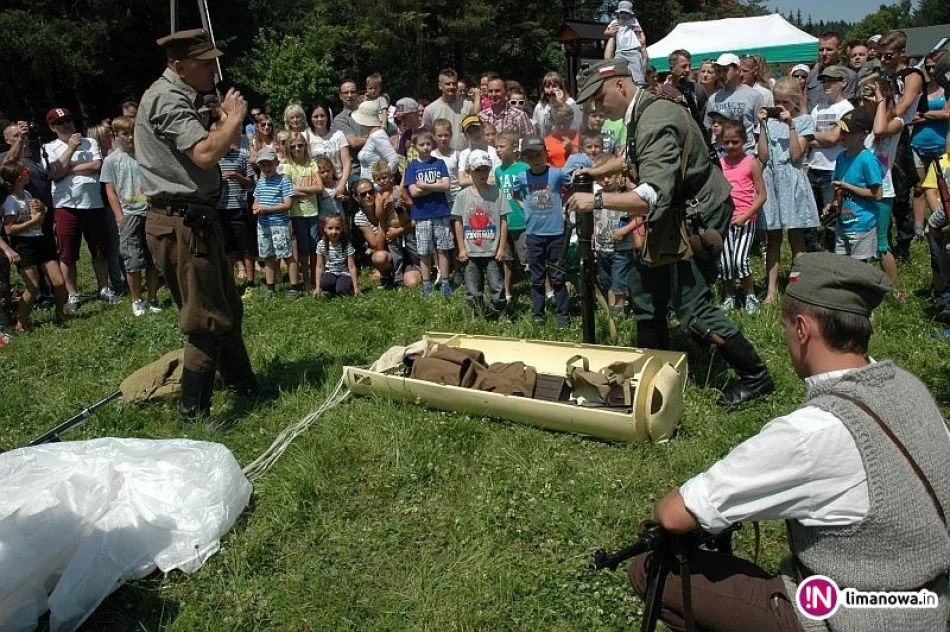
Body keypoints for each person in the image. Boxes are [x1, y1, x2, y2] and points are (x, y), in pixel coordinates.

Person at [628, 250, 950, 632]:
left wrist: (665, 506)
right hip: (932, 601)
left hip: (855, 618)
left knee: (649, 569)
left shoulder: (812, 432)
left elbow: (677, 513)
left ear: (802, 329)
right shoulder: (910, 388)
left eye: (784, 327)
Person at [568, 58, 774, 406]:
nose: (596, 108)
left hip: (697, 217)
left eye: (600, 98)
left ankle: (756, 376)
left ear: (621, 85)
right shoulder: (642, 110)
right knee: (646, 290)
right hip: (675, 213)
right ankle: (657, 369)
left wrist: (597, 200)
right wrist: (598, 169)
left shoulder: (655, 120)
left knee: (692, 307)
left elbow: (650, 196)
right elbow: (634, 157)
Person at [135, 28, 259, 423]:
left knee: (227, 308)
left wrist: (221, 118)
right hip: (181, 222)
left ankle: (244, 386)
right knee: (205, 318)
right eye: (204, 63)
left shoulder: (184, 96)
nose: (213, 69)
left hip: (195, 219)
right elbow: (205, 154)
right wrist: (235, 119)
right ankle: (194, 414)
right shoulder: (167, 98)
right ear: (178, 65)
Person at [44, 107, 121, 312]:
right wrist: (70, 149)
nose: (67, 124)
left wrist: (68, 168)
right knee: (68, 253)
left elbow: (97, 165)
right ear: (52, 127)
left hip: (93, 202)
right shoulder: (49, 147)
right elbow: (55, 173)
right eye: (61, 123)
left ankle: (104, 288)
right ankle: (73, 294)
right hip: (65, 205)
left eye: (69, 120)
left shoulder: (90, 142)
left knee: (99, 249)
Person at [756, 77, 819, 304]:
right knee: (772, 238)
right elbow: (763, 155)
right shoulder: (769, 123)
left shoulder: (803, 121)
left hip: (791, 178)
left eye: (785, 102)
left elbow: (795, 154)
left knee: (796, 237)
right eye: (777, 101)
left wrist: (791, 125)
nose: (780, 106)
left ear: (794, 101)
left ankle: (797, 287)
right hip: (771, 179)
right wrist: (763, 126)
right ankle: (771, 291)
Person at [100, 116, 161, 317]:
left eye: (133, 133)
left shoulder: (147, 155)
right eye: (125, 134)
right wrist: (119, 215)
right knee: (133, 260)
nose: (130, 138)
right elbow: (110, 190)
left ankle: (152, 298)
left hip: (151, 210)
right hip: (129, 213)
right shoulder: (111, 160)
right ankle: (136, 300)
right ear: (117, 135)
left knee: (153, 258)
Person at [511, 135, 572, 327]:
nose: (535, 160)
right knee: (537, 277)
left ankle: (563, 315)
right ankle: (538, 314)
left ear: (545, 154)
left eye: (538, 155)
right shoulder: (522, 177)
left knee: (558, 276)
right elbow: (515, 195)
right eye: (530, 156)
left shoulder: (556, 174)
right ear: (525, 159)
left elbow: (570, 186)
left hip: (555, 233)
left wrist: (564, 204)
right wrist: (526, 208)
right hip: (534, 234)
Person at [879, 30, 926, 262]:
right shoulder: (882, 76)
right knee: (879, 188)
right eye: (880, 56)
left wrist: (886, 119)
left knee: (899, 191)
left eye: (888, 55)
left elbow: (905, 103)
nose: (884, 60)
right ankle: (882, 241)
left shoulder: (913, 75)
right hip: (880, 134)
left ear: (901, 53)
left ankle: (904, 245)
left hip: (899, 134)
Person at [1, 163, 67, 329]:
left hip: (41, 241)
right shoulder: (10, 201)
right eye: (26, 171)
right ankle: (21, 323)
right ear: (18, 178)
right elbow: (9, 229)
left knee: (59, 283)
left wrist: (41, 212)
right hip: (24, 245)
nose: (29, 173)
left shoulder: (27, 194)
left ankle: (60, 314)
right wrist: (33, 221)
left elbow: (37, 219)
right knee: (33, 286)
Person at [860, 77, 905, 297]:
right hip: (865, 190)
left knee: (881, 243)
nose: (866, 100)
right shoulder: (871, 127)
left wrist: (880, 102)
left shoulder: (897, 122)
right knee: (864, 240)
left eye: (873, 95)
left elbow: (880, 130)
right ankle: (871, 287)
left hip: (883, 191)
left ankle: (894, 290)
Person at [717, 120, 766, 314]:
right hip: (725, 220)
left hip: (745, 219)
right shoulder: (720, 163)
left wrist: (746, 215)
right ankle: (729, 296)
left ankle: (750, 295)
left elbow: (762, 195)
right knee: (726, 261)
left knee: (740, 260)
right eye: (726, 142)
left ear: (744, 141)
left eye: (735, 142)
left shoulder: (751, 163)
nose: (730, 146)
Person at [452, 149, 508, 317]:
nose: (482, 173)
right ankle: (475, 317)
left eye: (485, 169)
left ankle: (498, 314)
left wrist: (502, 247)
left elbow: (504, 221)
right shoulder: (462, 196)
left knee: (497, 287)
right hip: (471, 252)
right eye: (478, 170)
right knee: (472, 289)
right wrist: (461, 248)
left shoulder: (497, 193)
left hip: (492, 251)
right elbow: (458, 222)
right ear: (469, 171)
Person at [809, 65, 854, 252]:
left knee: (831, 219)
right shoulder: (818, 108)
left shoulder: (846, 108)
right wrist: (823, 138)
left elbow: (834, 138)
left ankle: (831, 254)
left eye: (831, 81)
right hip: (813, 166)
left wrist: (818, 137)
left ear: (843, 83)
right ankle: (811, 254)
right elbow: (808, 137)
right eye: (824, 81)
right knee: (811, 216)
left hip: (833, 169)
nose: (826, 85)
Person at [828, 109, 884, 262]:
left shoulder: (867, 159)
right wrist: (833, 204)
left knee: (858, 269)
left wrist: (848, 187)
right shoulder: (841, 157)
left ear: (863, 134)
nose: (843, 135)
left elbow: (877, 194)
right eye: (842, 130)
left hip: (863, 224)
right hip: (843, 222)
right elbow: (838, 187)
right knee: (840, 266)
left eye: (848, 132)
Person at [405, 130, 454, 297]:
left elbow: (446, 186)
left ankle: (446, 281)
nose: (426, 147)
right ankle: (426, 284)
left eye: (428, 144)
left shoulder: (439, 163)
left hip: (440, 212)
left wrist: (425, 185)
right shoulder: (412, 166)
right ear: (415, 147)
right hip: (421, 214)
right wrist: (435, 185)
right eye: (421, 145)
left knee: (443, 248)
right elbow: (414, 192)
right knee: (425, 251)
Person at [593, 153, 640, 314]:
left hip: (621, 248)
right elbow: (595, 219)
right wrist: (594, 238)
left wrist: (624, 230)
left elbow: (640, 217)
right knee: (606, 281)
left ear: (618, 175)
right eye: (601, 177)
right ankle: (611, 312)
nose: (606, 180)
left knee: (619, 282)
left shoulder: (626, 195)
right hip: (602, 247)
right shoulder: (597, 196)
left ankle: (618, 314)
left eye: (610, 176)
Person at [283, 132, 323, 297]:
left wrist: (298, 190)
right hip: (296, 213)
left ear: (305, 146)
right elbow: (287, 190)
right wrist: (308, 190)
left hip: (312, 212)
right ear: (289, 149)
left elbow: (319, 188)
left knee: (314, 248)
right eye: (293, 146)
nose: (297, 148)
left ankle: (316, 280)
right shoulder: (288, 166)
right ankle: (305, 280)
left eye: (300, 145)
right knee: (303, 249)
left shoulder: (312, 164)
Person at [252, 146, 295, 298]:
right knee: (268, 256)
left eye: (269, 164)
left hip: (279, 224)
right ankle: (270, 287)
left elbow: (287, 204)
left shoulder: (283, 181)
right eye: (263, 165)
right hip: (263, 225)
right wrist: (256, 209)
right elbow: (255, 202)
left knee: (287, 255)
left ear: (276, 163)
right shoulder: (261, 182)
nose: (266, 167)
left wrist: (267, 209)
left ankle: (294, 286)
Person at [704, 54, 764, 154]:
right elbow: (708, 128)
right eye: (719, 71)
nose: (721, 74)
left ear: (738, 70)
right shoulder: (713, 99)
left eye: (726, 70)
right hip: (722, 156)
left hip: (746, 155)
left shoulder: (754, 96)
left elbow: (760, 129)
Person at [494, 131, 528, 303]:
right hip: (505, 222)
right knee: (506, 260)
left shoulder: (524, 168)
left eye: (501, 146)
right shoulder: (498, 171)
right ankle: (507, 292)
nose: (497, 150)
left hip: (523, 221)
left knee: (528, 260)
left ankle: (544, 290)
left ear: (514, 148)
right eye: (496, 147)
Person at [305, 102, 350, 203]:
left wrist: (342, 183)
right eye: (315, 116)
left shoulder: (338, 135)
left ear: (328, 117)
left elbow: (346, 162)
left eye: (322, 115)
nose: (319, 119)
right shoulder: (305, 136)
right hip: (316, 187)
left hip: (337, 185)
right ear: (310, 118)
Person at [422, 69, 476, 152]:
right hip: (440, 158)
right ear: (440, 86)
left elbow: (474, 132)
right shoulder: (430, 110)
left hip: (464, 155)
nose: (451, 87)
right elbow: (426, 136)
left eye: (454, 84)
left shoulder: (468, 106)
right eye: (448, 84)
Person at [806, 31, 857, 109]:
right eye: (821, 49)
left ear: (839, 50)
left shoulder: (849, 76)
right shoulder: (812, 74)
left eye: (829, 49)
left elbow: (846, 108)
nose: (824, 53)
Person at [314, 212, 360, 298]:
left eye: (337, 228)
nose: (334, 232)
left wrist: (356, 287)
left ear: (342, 229)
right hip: (330, 272)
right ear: (324, 229)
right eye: (330, 228)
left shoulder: (346, 244)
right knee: (325, 283)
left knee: (341, 290)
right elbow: (319, 266)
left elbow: (352, 267)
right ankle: (331, 288)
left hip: (343, 273)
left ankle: (347, 286)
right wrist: (317, 287)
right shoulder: (321, 244)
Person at [604, 1, 648, 87]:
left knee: (636, 67)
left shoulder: (633, 21)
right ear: (618, 13)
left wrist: (639, 35)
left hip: (633, 49)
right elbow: (606, 33)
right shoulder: (615, 22)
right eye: (622, 12)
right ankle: (618, 82)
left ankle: (639, 84)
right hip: (620, 51)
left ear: (630, 14)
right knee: (616, 67)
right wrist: (610, 32)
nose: (623, 15)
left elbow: (640, 32)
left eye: (626, 13)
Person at [354, 100, 398, 180]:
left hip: (376, 188)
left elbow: (394, 160)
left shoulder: (378, 135)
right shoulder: (373, 135)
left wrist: (381, 182)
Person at [331, 79, 369, 169]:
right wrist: (375, 137)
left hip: (377, 165)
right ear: (340, 96)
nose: (349, 95)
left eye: (353, 92)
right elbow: (354, 142)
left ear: (358, 94)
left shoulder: (368, 112)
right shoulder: (340, 119)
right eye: (346, 92)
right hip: (357, 168)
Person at [532, 72, 582, 137]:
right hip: (546, 143)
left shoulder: (571, 103)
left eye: (554, 86)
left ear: (560, 88)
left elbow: (576, 126)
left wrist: (559, 103)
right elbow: (536, 127)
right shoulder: (540, 106)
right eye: (547, 86)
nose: (551, 89)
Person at [458, 116, 500, 188]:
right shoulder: (463, 154)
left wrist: (470, 178)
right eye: (470, 132)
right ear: (465, 135)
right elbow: (462, 181)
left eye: (477, 130)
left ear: (483, 129)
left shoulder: (494, 152)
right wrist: (488, 179)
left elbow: (498, 178)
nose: (475, 134)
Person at [432, 119, 461, 205]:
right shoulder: (431, 156)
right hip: (439, 198)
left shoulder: (457, 155)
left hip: (456, 197)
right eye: (440, 135)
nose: (443, 138)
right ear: (433, 136)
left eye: (446, 135)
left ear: (451, 135)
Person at [543, 102, 579, 169]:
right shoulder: (546, 143)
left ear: (571, 120)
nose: (562, 126)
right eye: (559, 123)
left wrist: (573, 150)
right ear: (552, 121)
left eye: (565, 122)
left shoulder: (580, 138)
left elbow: (589, 160)